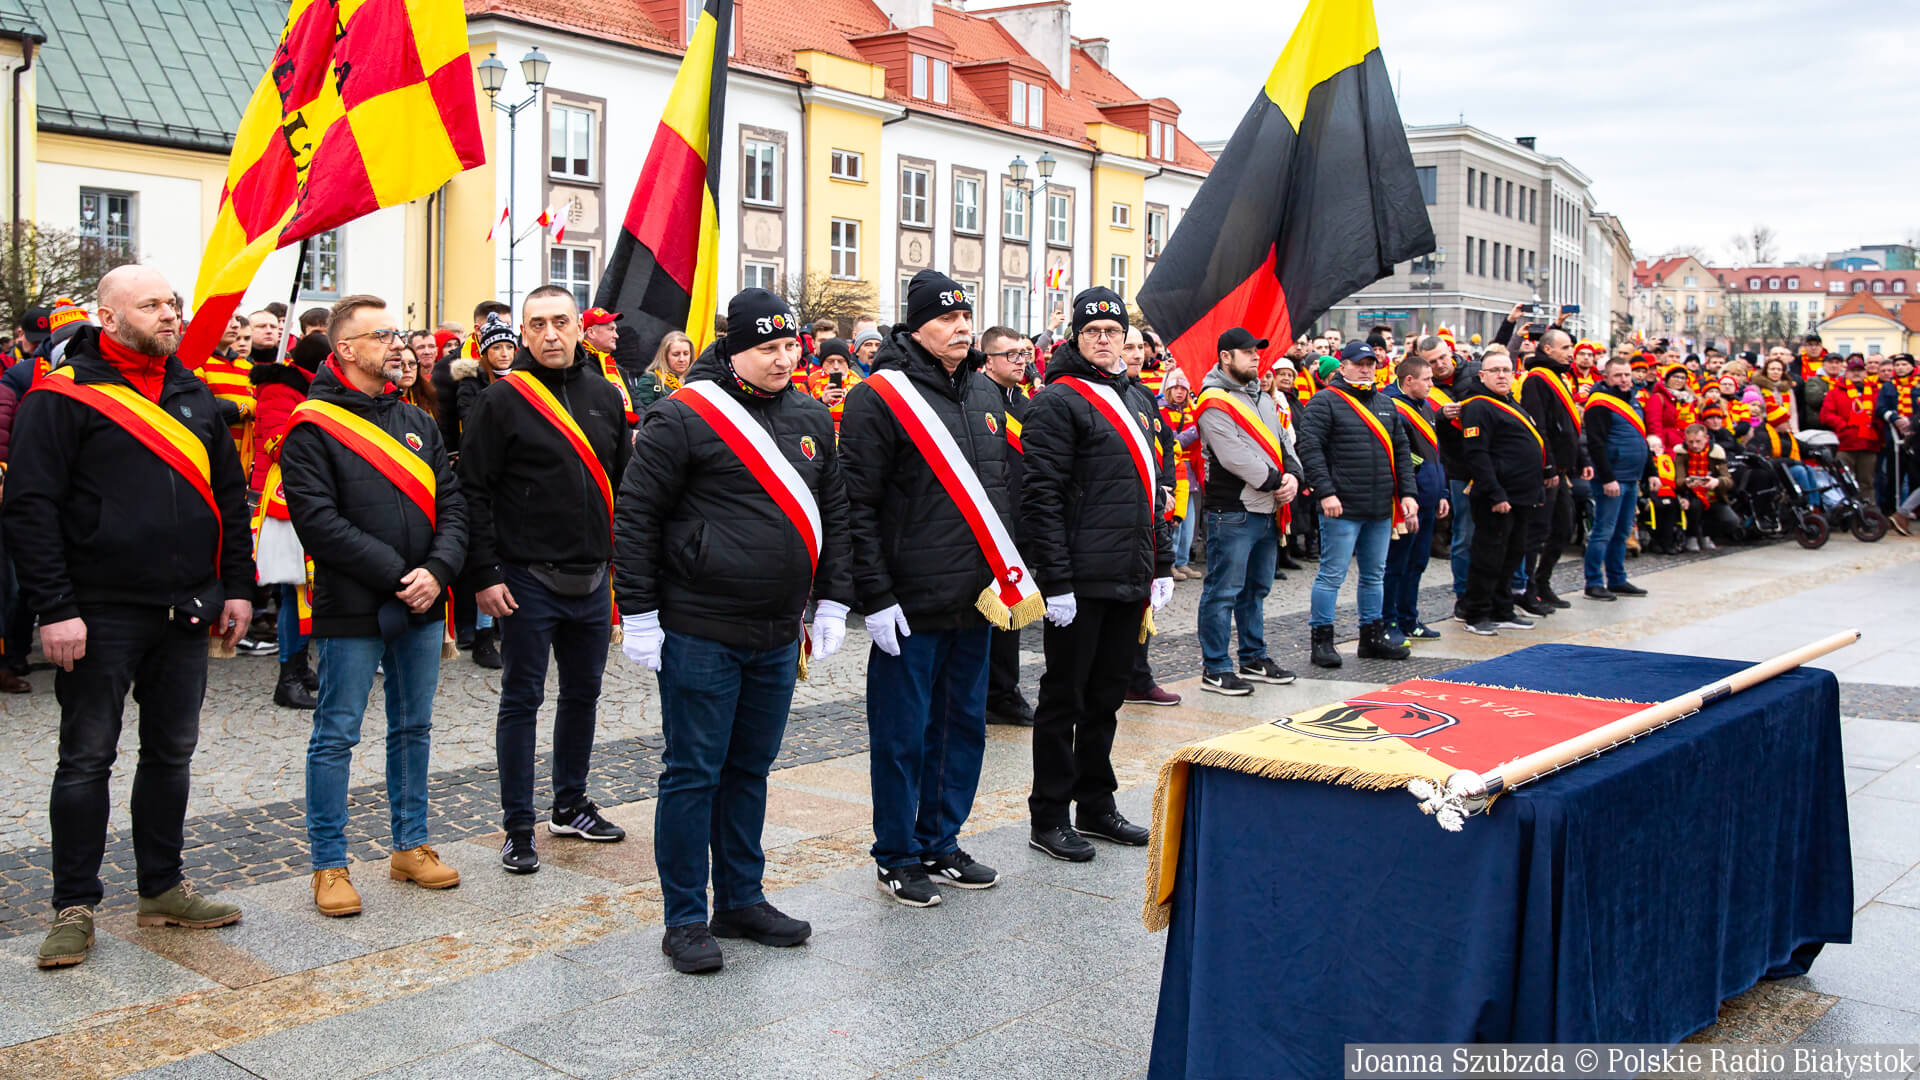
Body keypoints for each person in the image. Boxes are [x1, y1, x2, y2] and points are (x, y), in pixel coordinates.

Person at [4, 266, 254, 968]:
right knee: (86, 760)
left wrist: (237, 586)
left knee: (171, 754)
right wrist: (55, 608)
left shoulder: (193, 393)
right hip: (97, 613)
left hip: (186, 608)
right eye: (151, 304)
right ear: (108, 319)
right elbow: (30, 507)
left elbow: (229, 498)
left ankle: (163, 888)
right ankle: (74, 905)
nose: (171, 314)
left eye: (172, 302)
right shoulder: (65, 396)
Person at [615, 288, 851, 972]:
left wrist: (834, 598)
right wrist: (639, 614)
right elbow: (637, 518)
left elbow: (833, 509)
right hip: (699, 627)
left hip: (777, 631)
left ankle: (741, 898)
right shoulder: (683, 416)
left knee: (750, 768)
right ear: (734, 349)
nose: (783, 360)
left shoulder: (810, 413)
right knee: (693, 773)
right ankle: (685, 916)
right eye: (767, 349)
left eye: (790, 346)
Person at [840, 269, 1029, 903]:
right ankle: (897, 854)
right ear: (916, 325)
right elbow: (857, 505)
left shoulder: (981, 391)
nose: (961, 328)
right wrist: (877, 595)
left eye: (965, 316)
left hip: (976, 598)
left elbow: (999, 491)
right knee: (902, 736)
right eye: (947, 319)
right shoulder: (879, 396)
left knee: (962, 727)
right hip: (911, 600)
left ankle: (941, 840)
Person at [280, 294, 466, 918]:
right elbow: (319, 522)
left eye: (398, 332)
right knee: (337, 733)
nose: (397, 344)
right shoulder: (311, 426)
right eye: (381, 335)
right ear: (346, 350)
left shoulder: (419, 420)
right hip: (353, 604)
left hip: (423, 600)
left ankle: (410, 846)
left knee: (413, 727)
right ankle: (328, 863)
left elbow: (454, 506)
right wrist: (400, 574)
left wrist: (437, 571)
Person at [460, 286, 633, 875]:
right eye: (538, 325)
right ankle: (517, 827)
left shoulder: (606, 397)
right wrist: (483, 575)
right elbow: (474, 491)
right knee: (522, 701)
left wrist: (623, 569)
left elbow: (621, 484)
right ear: (523, 333)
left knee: (583, 695)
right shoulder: (501, 400)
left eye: (561, 321)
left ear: (579, 328)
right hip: (525, 578)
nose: (551, 334)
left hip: (592, 578)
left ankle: (570, 804)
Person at [1020, 286, 1169, 859]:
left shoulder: (1137, 398)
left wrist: (1161, 565)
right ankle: (1050, 815)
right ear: (1076, 338)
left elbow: (1156, 492)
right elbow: (1041, 497)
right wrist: (1054, 581)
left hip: (1127, 573)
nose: (1105, 340)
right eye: (1093, 332)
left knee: (1107, 698)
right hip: (1079, 581)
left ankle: (1097, 804)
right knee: (1064, 700)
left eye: (1113, 332)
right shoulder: (1058, 400)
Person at [1294, 340, 1417, 668]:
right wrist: (1325, 491)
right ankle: (1321, 639)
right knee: (1332, 574)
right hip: (1342, 505)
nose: (1366, 369)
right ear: (1343, 365)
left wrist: (1408, 494)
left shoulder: (1385, 403)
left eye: (1371, 364)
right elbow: (1310, 449)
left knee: (1374, 574)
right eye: (1359, 363)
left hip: (1379, 506)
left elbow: (1402, 451)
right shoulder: (1325, 401)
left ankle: (1371, 636)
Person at [1193, 327, 1300, 694]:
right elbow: (1233, 456)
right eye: (1247, 351)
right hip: (1233, 510)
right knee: (1223, 591)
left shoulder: (1264, 399)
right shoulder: (1213, 400)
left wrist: (1294, 476)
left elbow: (1285, 441)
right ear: (1226, 356)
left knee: (1255, 589)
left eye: (1257, 351)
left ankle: (1253, 657)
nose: (1256, 357)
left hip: (1267, 508)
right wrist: (1277, 481)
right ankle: (1216, 667)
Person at [1458, 349, 1550, 636]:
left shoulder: (1510, 402)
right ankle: (1477, 612)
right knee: (1488, 556)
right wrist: (1496, 494)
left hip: (1522, 495)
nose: (1501, 375)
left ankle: (1502, 607)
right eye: (1495, 370)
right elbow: (1477, 455)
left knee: (1512, 555)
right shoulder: (1478, 405)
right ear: (1482, 375)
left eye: (1506, 370)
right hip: (1497, 497)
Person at [977, 325, 1035, 728]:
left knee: (1011, 609)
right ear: (988, 361)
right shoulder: (975, 400)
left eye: (1023, 354)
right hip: (985, 522)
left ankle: (1003, 691)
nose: (1020, 361)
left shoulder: (1027, 404)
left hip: (1020, 519)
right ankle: (982, 692)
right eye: (1011, 355)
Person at [1516, 328, 1590, 615]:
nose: (1570, 352)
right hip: (1547, 469)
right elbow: (1540, 426)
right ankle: (1528, 589)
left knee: (1562, 528)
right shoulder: (1537, 379)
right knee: (1538, 531)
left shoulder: (1559, 377)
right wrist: (1547, 465)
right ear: (1548, 350)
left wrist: (1580, 458)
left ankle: (1542, 581)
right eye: (1566, 347)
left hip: (1562, 467)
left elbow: (1570, 424)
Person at [1380, 352, 1449, 644]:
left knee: (1418, 562)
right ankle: (1389, 620)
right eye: (1427, 380)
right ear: (1409, 380)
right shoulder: (1392, 407)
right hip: (1407, 500)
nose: (1432, 385)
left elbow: (1435, 452)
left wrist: (1442, 491)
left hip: (1429, 497)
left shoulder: (1426, 407)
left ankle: (1410, 617)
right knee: (1397, 565)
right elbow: (1402, 457)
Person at [1580, 357, 1651, 601]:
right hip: (1612, 478)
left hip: (1632, 477)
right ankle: (1594, 582)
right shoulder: (1599, 404)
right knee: (1603, 531)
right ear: (1606, 377)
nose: (1624, 380)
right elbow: (1596, 444)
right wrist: (1608, 478)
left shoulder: (1633, 401)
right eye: (1618, 375)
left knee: (1622, 531)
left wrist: (1650, 472)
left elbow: (1642, 436)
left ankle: (1617, 578)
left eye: (1627, 375)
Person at [1820, 356, 1880, 497]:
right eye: (1853, 370)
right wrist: (1842, 426)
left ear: (1865, 372)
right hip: (1845, 444)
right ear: (1846, 372)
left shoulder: (1876, 392)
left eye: (1859, 370)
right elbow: (1826, 415)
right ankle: (1848, 513)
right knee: (1845, 481)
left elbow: (1880, 413)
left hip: (1869, 444)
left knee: (1867, 481)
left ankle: (1868, 514)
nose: (1856, 373)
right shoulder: (1836, 392)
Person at [1670, 423, 1735, 550]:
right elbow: (1679, 479)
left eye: (1698, 441)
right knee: (1695, 506)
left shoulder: (1716, 453)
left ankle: (1708, 534)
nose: (1694, 445)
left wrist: (1717, 482)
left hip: (1713, 495)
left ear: (1706, 438)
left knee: (1731, 521)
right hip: (1691, 496)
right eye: (1691, 442)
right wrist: (1686, 483)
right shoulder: (1681, 454)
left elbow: (1728, 480)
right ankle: (1692, 536)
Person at [809, 338, 862, 436]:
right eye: (830, 361)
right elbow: (801, 415)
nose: (836, 366)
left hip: (848, 437)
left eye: (841, 361)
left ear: (847, 363)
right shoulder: (810, 382)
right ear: (822, 362)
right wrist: (821, 402)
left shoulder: (859, 384)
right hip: (819, 435)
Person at [635, 329, 694, 410]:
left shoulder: (695, 381)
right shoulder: (651, 379)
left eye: (686, 354)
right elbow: (643, 412)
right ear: (665, 356)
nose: (682, 359)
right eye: (676, 354)